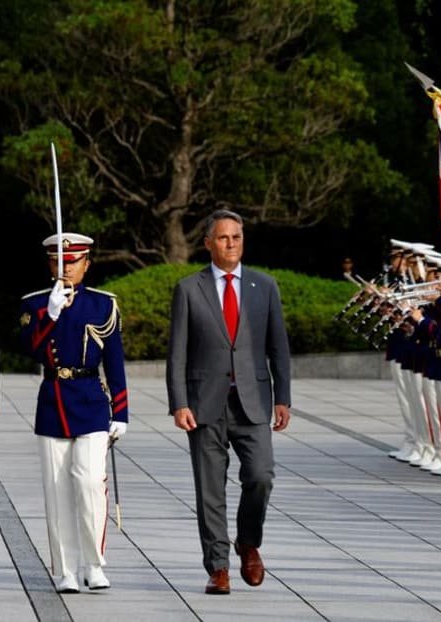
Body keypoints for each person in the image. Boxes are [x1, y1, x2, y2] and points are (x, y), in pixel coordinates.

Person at [167, 209, 291, 595]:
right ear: (208, 243)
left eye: (236, 237)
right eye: (223, 238)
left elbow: (278, 347)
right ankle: (218, 566)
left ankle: (248, 541)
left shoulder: (264, 286)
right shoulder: (189, 289)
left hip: (253, 400)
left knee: (260, 476)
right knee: (210, 489)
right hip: (205, 402)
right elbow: (177, 352)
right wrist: (179, 403)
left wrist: (283, 397)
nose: (231, 244)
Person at [20, 233, 129, 594]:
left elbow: (114, 361)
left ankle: (93, 563)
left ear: (87, 263)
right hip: (53, 401)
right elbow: (30, 350)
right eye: (57, 262)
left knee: (88, 483)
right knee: (56, 490)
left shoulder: (102, 305)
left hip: (90, 402)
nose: (65, 268)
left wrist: (122, 411)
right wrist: (50, 315)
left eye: (72, 262)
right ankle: (65, 569)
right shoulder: (36, 304)